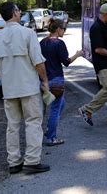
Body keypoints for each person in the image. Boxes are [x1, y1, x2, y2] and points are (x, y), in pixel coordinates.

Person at [0, 2, 50, 175]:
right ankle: (32, 161)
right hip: (28, 87)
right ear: (15, 13)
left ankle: (14, 162)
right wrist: (45, 81)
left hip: (9, 89)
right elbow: (38, 61)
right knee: (33, 123)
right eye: (18, 10)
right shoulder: (28, 33)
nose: (20, 12)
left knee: (12, 126)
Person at [40, 18, 83, 146]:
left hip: (44, 80)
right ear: (58, 29)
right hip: (56, 80)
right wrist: (78, 54)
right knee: (55, 109)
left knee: (61, 104)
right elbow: (66, 62)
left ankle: (49, 131)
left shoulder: (42, 42)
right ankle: (51, 137)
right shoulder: (59, 43)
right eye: (64, 29)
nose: (64, 31)